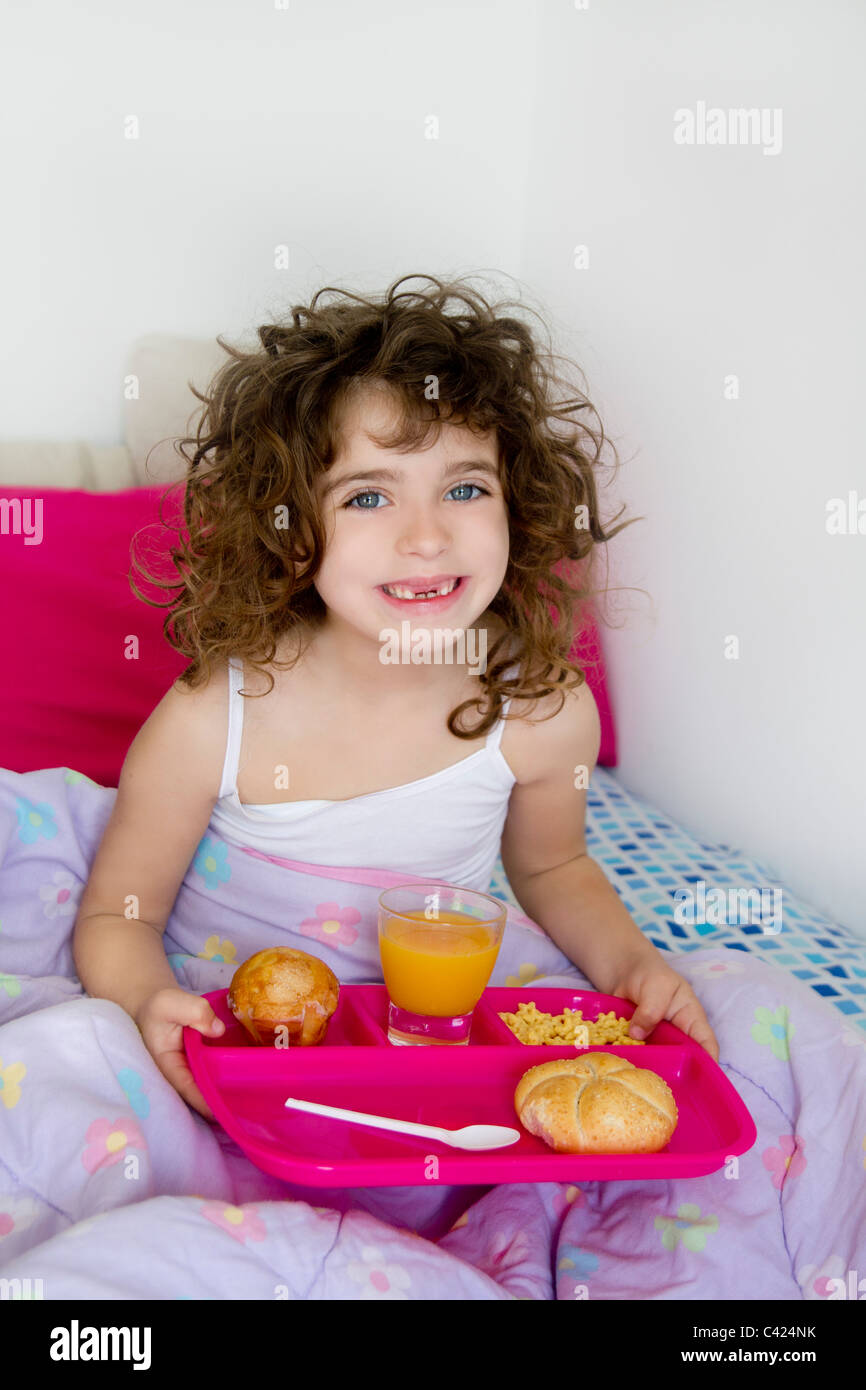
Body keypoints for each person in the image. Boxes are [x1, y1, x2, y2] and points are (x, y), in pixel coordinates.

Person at [72, 272, 720, 1119]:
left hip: (426, 1035)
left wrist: (634, 966)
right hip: (232, 1041)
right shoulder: (211, 717)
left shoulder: (541, 709)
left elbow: (554, 865)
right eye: (369, 496)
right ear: (291, 528)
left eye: (465, 488)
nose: (426, 536)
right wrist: (152, 1007)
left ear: (516, 507)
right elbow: (118, 920)